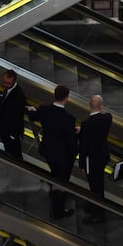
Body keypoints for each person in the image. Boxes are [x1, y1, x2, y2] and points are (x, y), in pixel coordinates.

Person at [26, 85, 79, 219]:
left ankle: (54, 191)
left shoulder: (44, 110)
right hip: (63, 156)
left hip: (48, 151)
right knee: (61, 181)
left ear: (55, 95)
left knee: (54, 174)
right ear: (66, 98)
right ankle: (58, 211)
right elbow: (71, 141)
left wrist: (31, 109)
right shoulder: (69, 119)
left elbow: (33, 116)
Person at [79, 94, 113, 223]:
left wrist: (82, 164)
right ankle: (96, 206)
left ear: (89, 105)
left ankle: (98, 212)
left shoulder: (86, 125)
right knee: (99, 185)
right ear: (101, 106)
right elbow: (101, 122)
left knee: (94, 186)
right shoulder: (107, 118)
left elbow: (83, 146)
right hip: (102, 157)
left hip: (91, 160)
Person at [0, 69, 27, 160]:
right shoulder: (8, 90)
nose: (5, 85)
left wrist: (12, 134)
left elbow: (17, 117)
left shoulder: (19, 96)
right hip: (4, 128)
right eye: (4, 82)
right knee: (8, 149)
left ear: (14, 81)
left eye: (8, 83)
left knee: (14, 152)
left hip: (11, 131)